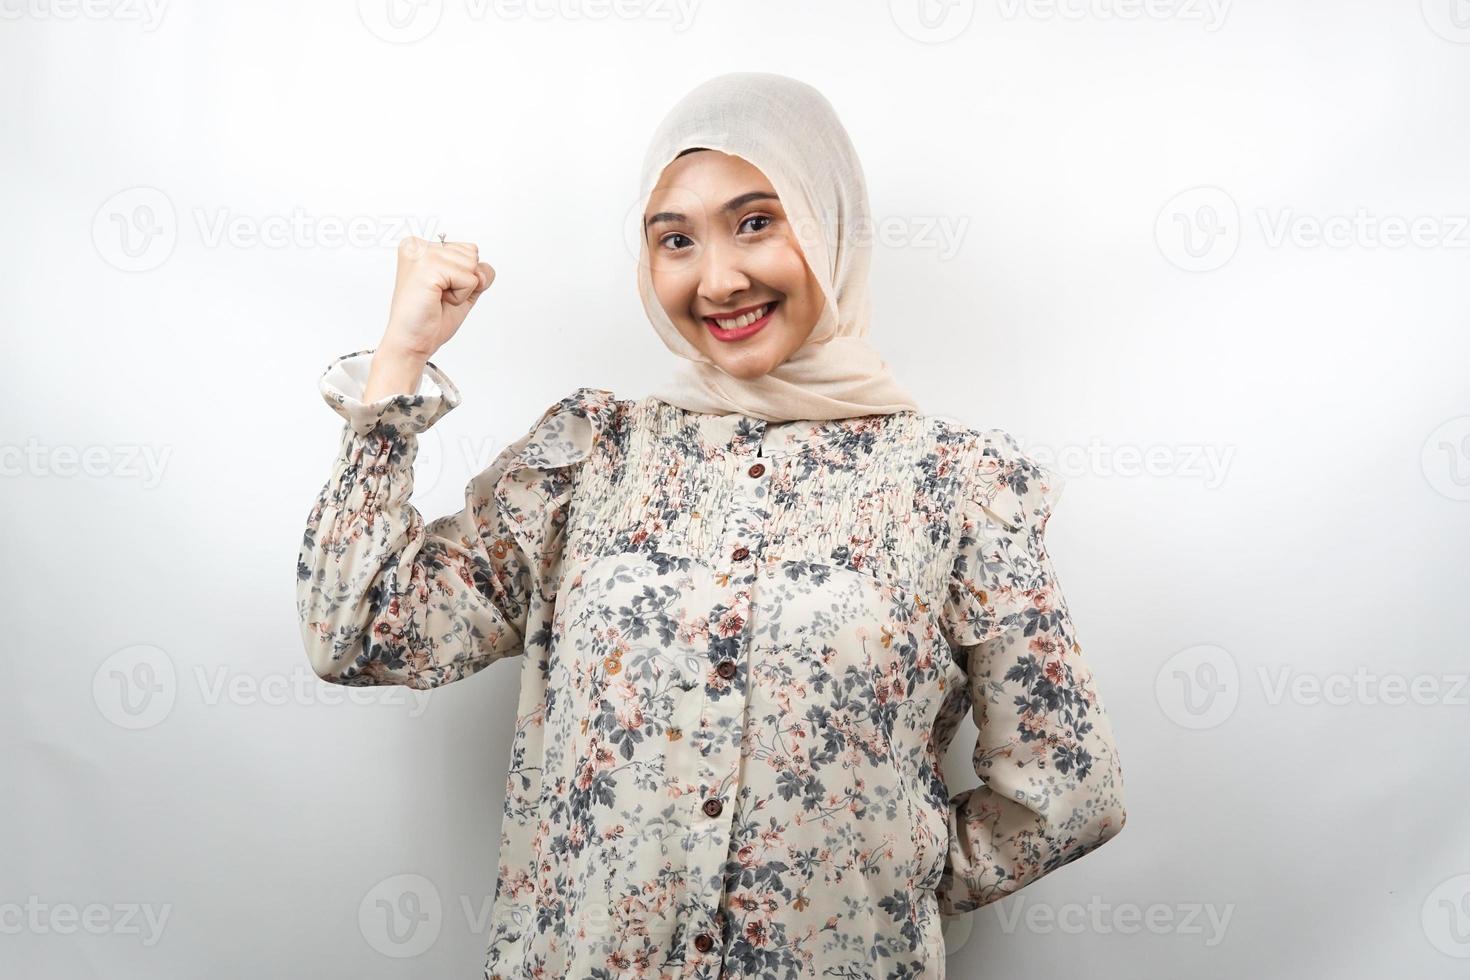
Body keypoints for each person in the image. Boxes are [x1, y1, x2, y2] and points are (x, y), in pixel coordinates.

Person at [296, 71, 1126, 980]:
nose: (718, 278)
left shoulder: (958, 487)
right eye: (676, 240)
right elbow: (359, 631)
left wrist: (891, 877)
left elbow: (1068, 787)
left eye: (758, 222)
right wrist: (400, 361)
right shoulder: (590, 458)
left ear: (828, 222)